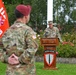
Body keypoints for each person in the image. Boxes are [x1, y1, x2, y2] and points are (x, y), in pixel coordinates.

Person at [1, 4, 38, 75]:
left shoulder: (7, 31)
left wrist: (7, 59)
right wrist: (19, 59)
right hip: (26, 71)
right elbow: (33, 48)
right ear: (26, 16)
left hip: (11, 72)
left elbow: (0, 48)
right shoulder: (28, 31)